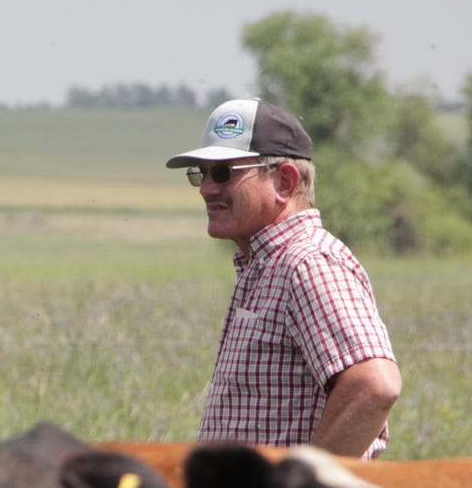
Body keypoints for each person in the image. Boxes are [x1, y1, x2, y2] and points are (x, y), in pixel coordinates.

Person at [166, 99, 401, 459]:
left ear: (285, 181)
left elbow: (374, 385)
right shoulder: (269, 265)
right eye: (202, 172)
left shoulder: (308, 263)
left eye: (225, 172)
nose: (206, 188)